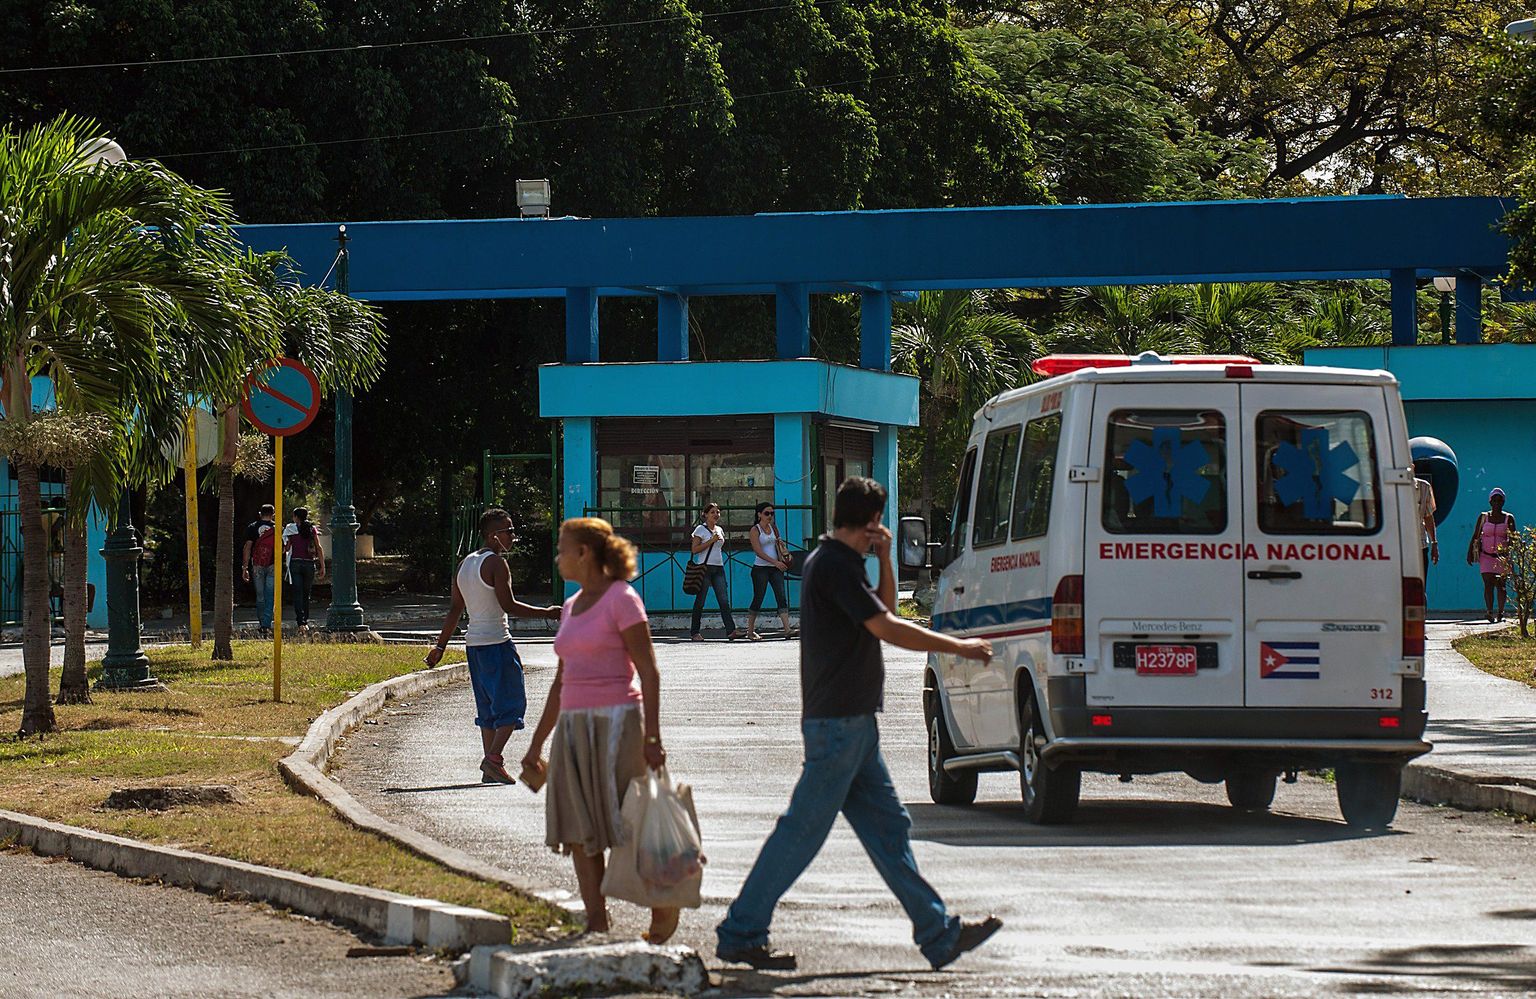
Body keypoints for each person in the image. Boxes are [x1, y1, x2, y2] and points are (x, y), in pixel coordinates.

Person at [716, 476, 1001, 972]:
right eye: (878, 523)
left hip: (854, 727)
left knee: (889, 830)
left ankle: (938, 934)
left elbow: (884, 608)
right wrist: (960, 646)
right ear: (869, 521)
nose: (880, 530)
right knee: (801, 832)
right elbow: (888, 628)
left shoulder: (843, 563)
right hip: (838, 725)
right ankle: (742, 930)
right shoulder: (832, 566)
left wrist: (887, 559)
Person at [520, 517, 678, 944]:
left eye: (561, 548)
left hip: (618, 724)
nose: (557, 558)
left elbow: (649, 672)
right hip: (573, 728)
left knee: (629, 823)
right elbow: (561, 680)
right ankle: (596, 920)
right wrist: (536, 744)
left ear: (584, 553)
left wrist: (652, 738)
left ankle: (662, 904)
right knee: (578, 828)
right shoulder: (571, 606)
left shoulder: (622, 600)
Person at [426, 508, 562, 784]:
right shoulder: (497, 564)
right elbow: (508, 605)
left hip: (474, 647)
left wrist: (440, 647)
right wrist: (547, 612)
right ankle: (493, 759)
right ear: (492, 536)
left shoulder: (465, 564)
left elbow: (455, 609)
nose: (513, 535)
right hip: (498, 644)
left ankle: (491, 766)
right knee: (513, 705)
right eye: (507, 531)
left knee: (488, 709)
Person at [689, 502, 743, 641]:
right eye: (712, 512)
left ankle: (731, 630)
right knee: (700, 601)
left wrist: (715, 539)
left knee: (724, 600)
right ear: (705, 514)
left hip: (718, 567)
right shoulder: (700, 529)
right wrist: (711, 541)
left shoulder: (719, 529)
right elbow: (694, 550)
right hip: (704, 568)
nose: (716, 514)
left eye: (717, 512)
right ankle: (695, 632)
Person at [1468, 488, 1516, 623]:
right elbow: (1475, 535)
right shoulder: (1483, 517)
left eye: (1499, 500)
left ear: (1503, 502)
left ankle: (1501, 612)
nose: (1497, 503)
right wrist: (1470, 553)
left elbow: (1513, 538)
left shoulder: (1508, 518)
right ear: (1490, 502)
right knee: (1488, 584)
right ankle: (1489, 612)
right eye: (1494, 500)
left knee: (1501, 585)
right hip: (1486, 556)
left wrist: (1509, 553)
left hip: (1502, 557)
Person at [745, 501, 792, 641]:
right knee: (759, 597)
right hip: (760, 569)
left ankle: (787, 629)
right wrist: (775, 562)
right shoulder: (755, 530)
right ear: (759, 514)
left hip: (775, 568)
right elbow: (758, 551)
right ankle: (750, 630)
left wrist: (782, 552)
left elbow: (777, 546)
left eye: (772, 513)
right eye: (767, 513)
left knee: (781, 596)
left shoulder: (774, 528)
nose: (770, 516)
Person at [282, 507, 326, 629]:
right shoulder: (312, 529)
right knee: (306, 594)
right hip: (309, 564)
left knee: (297, 593)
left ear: (296, 517)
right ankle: (305, 620)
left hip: (295, 563)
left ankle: (300, 621)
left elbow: (286, 547)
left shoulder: (291, 529)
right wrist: (322, 565)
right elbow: (319, 548)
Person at [241, 504, 278, 634]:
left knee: (260, 595)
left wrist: (245, 567)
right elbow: (284, 548)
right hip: (273, 564)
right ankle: (266, 624)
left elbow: (247, 547)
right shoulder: (277, 527)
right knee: (270, 595)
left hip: (257, 564)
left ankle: (262, 622)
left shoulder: (253, 527)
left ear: (259, 513)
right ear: (273, 514)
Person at [1414, 476, 1438, 583]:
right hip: (1395, 547)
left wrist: (1434, 543)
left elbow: (1428, 517)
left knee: (1420, 585)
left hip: (1419, 545)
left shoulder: (1423, 487)